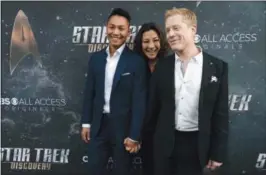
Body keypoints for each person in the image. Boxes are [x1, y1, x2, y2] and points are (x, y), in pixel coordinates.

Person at [146, 8, 229, 175]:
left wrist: (218, 153)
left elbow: (220, 115)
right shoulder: (162, 66)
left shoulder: (218, 67)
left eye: (176, 28)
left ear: (193, 29)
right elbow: (152, 112)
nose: (170, 34)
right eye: (168, 29)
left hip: (198, 147)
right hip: (164, 145)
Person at [80, 8, 147, 175]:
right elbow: (90, 93)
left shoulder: (136, 62)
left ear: (128, 32)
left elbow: (139, 102)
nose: (115, 32)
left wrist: (134, 135)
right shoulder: (95, 59)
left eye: (121, 28)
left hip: (123, 130)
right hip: (99, 126)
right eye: (112, 27)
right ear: (106, 28)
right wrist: (86, 123)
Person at [133, 22, 167, 175]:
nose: (151, 46)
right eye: (146, 41)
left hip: (168, 136)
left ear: (161, 42)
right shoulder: (135, 68)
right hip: (144, 135)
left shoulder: (171, 66)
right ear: (140, 44)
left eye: (155, 40)